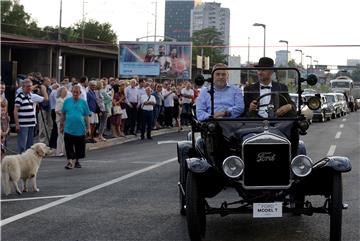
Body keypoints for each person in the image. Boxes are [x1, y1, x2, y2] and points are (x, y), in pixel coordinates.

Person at [60, 85, 90, 169]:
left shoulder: (83, 102)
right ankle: (70, 162)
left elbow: (87, 116)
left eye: (77, 92)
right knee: (68, 146)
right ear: (72, 92)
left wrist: (88, 128)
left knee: (79, 146)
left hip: (80, 128)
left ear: (80, 93)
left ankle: (77, 161)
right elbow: (63, 114)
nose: (75, 94)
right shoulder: (67, 101)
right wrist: (61, 125)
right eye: (74, 92)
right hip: (68, 128)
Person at [14, 79, 47, 153]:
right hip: (23, 124)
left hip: (31, 124)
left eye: (30, 86)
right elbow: (15, 111)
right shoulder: (20, 96)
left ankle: (27, 162)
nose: (29, 88)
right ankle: (21, 161)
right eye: (27, 86)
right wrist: (17, 125)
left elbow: (45, 99)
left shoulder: (30, 96)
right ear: (23, 87)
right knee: (22, 145)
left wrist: (43, 90)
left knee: (29, 145)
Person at [55, 86, 67, 157]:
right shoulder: (59, 100)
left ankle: (62, 151)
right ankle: (59, 151)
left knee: (62, 136)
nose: (65, 93)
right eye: (64, 92)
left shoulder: (63, 99)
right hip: (60, 120)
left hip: (63, 119)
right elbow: (57, 110)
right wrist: (64, 115)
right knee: (60, 135)